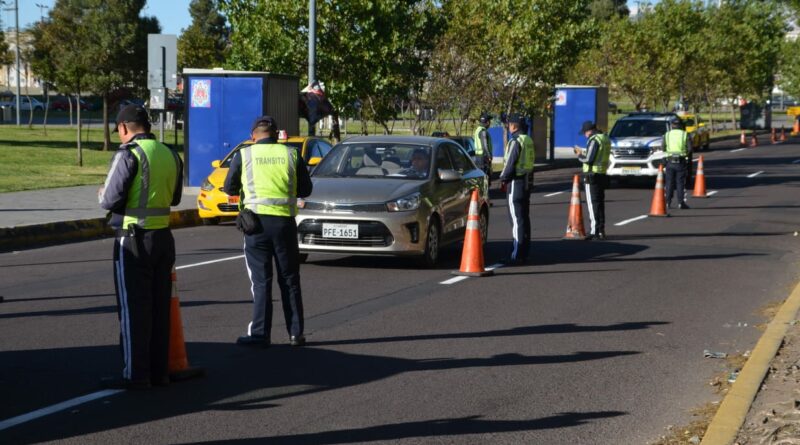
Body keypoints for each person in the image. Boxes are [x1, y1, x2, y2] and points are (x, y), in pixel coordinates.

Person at [98, 104, 183, 390]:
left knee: (134, 309)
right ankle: (160, 372)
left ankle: (136, 374)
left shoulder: (128, 153)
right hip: (163, 239)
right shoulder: (170, 154)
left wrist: (101, 192)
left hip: (133, 239)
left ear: (123, 128)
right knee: (160, 308)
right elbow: (175, 198)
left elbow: (108, 199)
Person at [224, 116, 313, 348]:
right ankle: (296, 333)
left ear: (253, 135)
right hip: (284, 224)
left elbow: (229, 187)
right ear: (276, 135)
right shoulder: (292, 154)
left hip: (255, 225)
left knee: (261, 281)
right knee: (290, 279)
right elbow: (306, 189)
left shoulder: (244, 155)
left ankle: (260, 334)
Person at [499, 113, 534, 264]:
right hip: (526, 182)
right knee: (524, 218)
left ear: (513, 126)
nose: (508, 126)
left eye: (509, 124)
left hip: (515, 183)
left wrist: (503, 179)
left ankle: (516, 253)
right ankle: (524, 251)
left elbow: (510, 164)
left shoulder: (515, 141)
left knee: (516, 220)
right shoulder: (528, 140)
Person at [574, 121, 611, 240]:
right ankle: (601, 230)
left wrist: (579, 155)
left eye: (584, 133)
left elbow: (589, 159)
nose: (585, 135)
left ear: (588, 131)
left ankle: (594, 230)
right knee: (600, 203)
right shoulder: (604, 138)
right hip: (602, 173)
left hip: (591, 175)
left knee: (592, 203)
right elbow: (598, 155)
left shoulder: (593, 140)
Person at [663, 118, 692, 209]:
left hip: (669, 161)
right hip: (681, 161)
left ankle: (668, 202)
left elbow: (663, 147)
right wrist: (685, 154)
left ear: (672, 126)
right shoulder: (685, 134)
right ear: (681, 125)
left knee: (669, 182)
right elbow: (690, 149)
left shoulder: (667, 135)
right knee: (680, 183)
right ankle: (681, 202)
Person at [473, 113, 494, 185]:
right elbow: (485, 145)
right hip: (483, 157)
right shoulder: (483, 131)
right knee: (485, 177)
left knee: (481, 177)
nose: (490, 124)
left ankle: (482, 193)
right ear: (487, 122)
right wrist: (489, 156)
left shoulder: (478, 130)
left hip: (479, 157)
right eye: (489, 122)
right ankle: (484, 194)